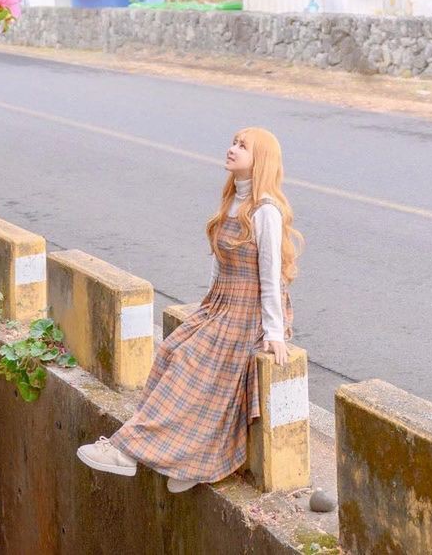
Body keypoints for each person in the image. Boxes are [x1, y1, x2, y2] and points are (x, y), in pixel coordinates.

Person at [76, 126, 302, 494]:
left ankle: (125, 451)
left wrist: (274, 332)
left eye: (242, 146)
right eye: (233, 142)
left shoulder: (266, 212)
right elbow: (219, 261)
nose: (231, 149)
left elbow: (272, 276)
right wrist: (206, 307)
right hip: (220, 302)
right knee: (171, 351)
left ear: (259, 160)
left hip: (247, 312)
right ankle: (188, 458)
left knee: (191, 367)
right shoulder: (232, 202)